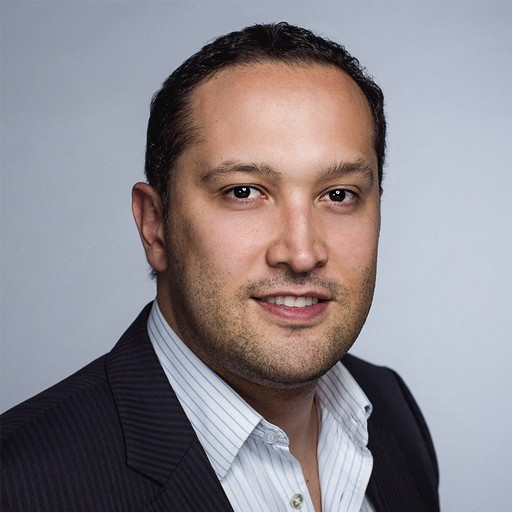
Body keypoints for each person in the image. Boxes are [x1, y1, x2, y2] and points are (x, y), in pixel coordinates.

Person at [0, 22, 439, 512]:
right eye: (243, 192)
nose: (301, 253)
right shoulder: (19, 485)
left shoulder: (392, 410)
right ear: (155, 225)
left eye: (338, 195)